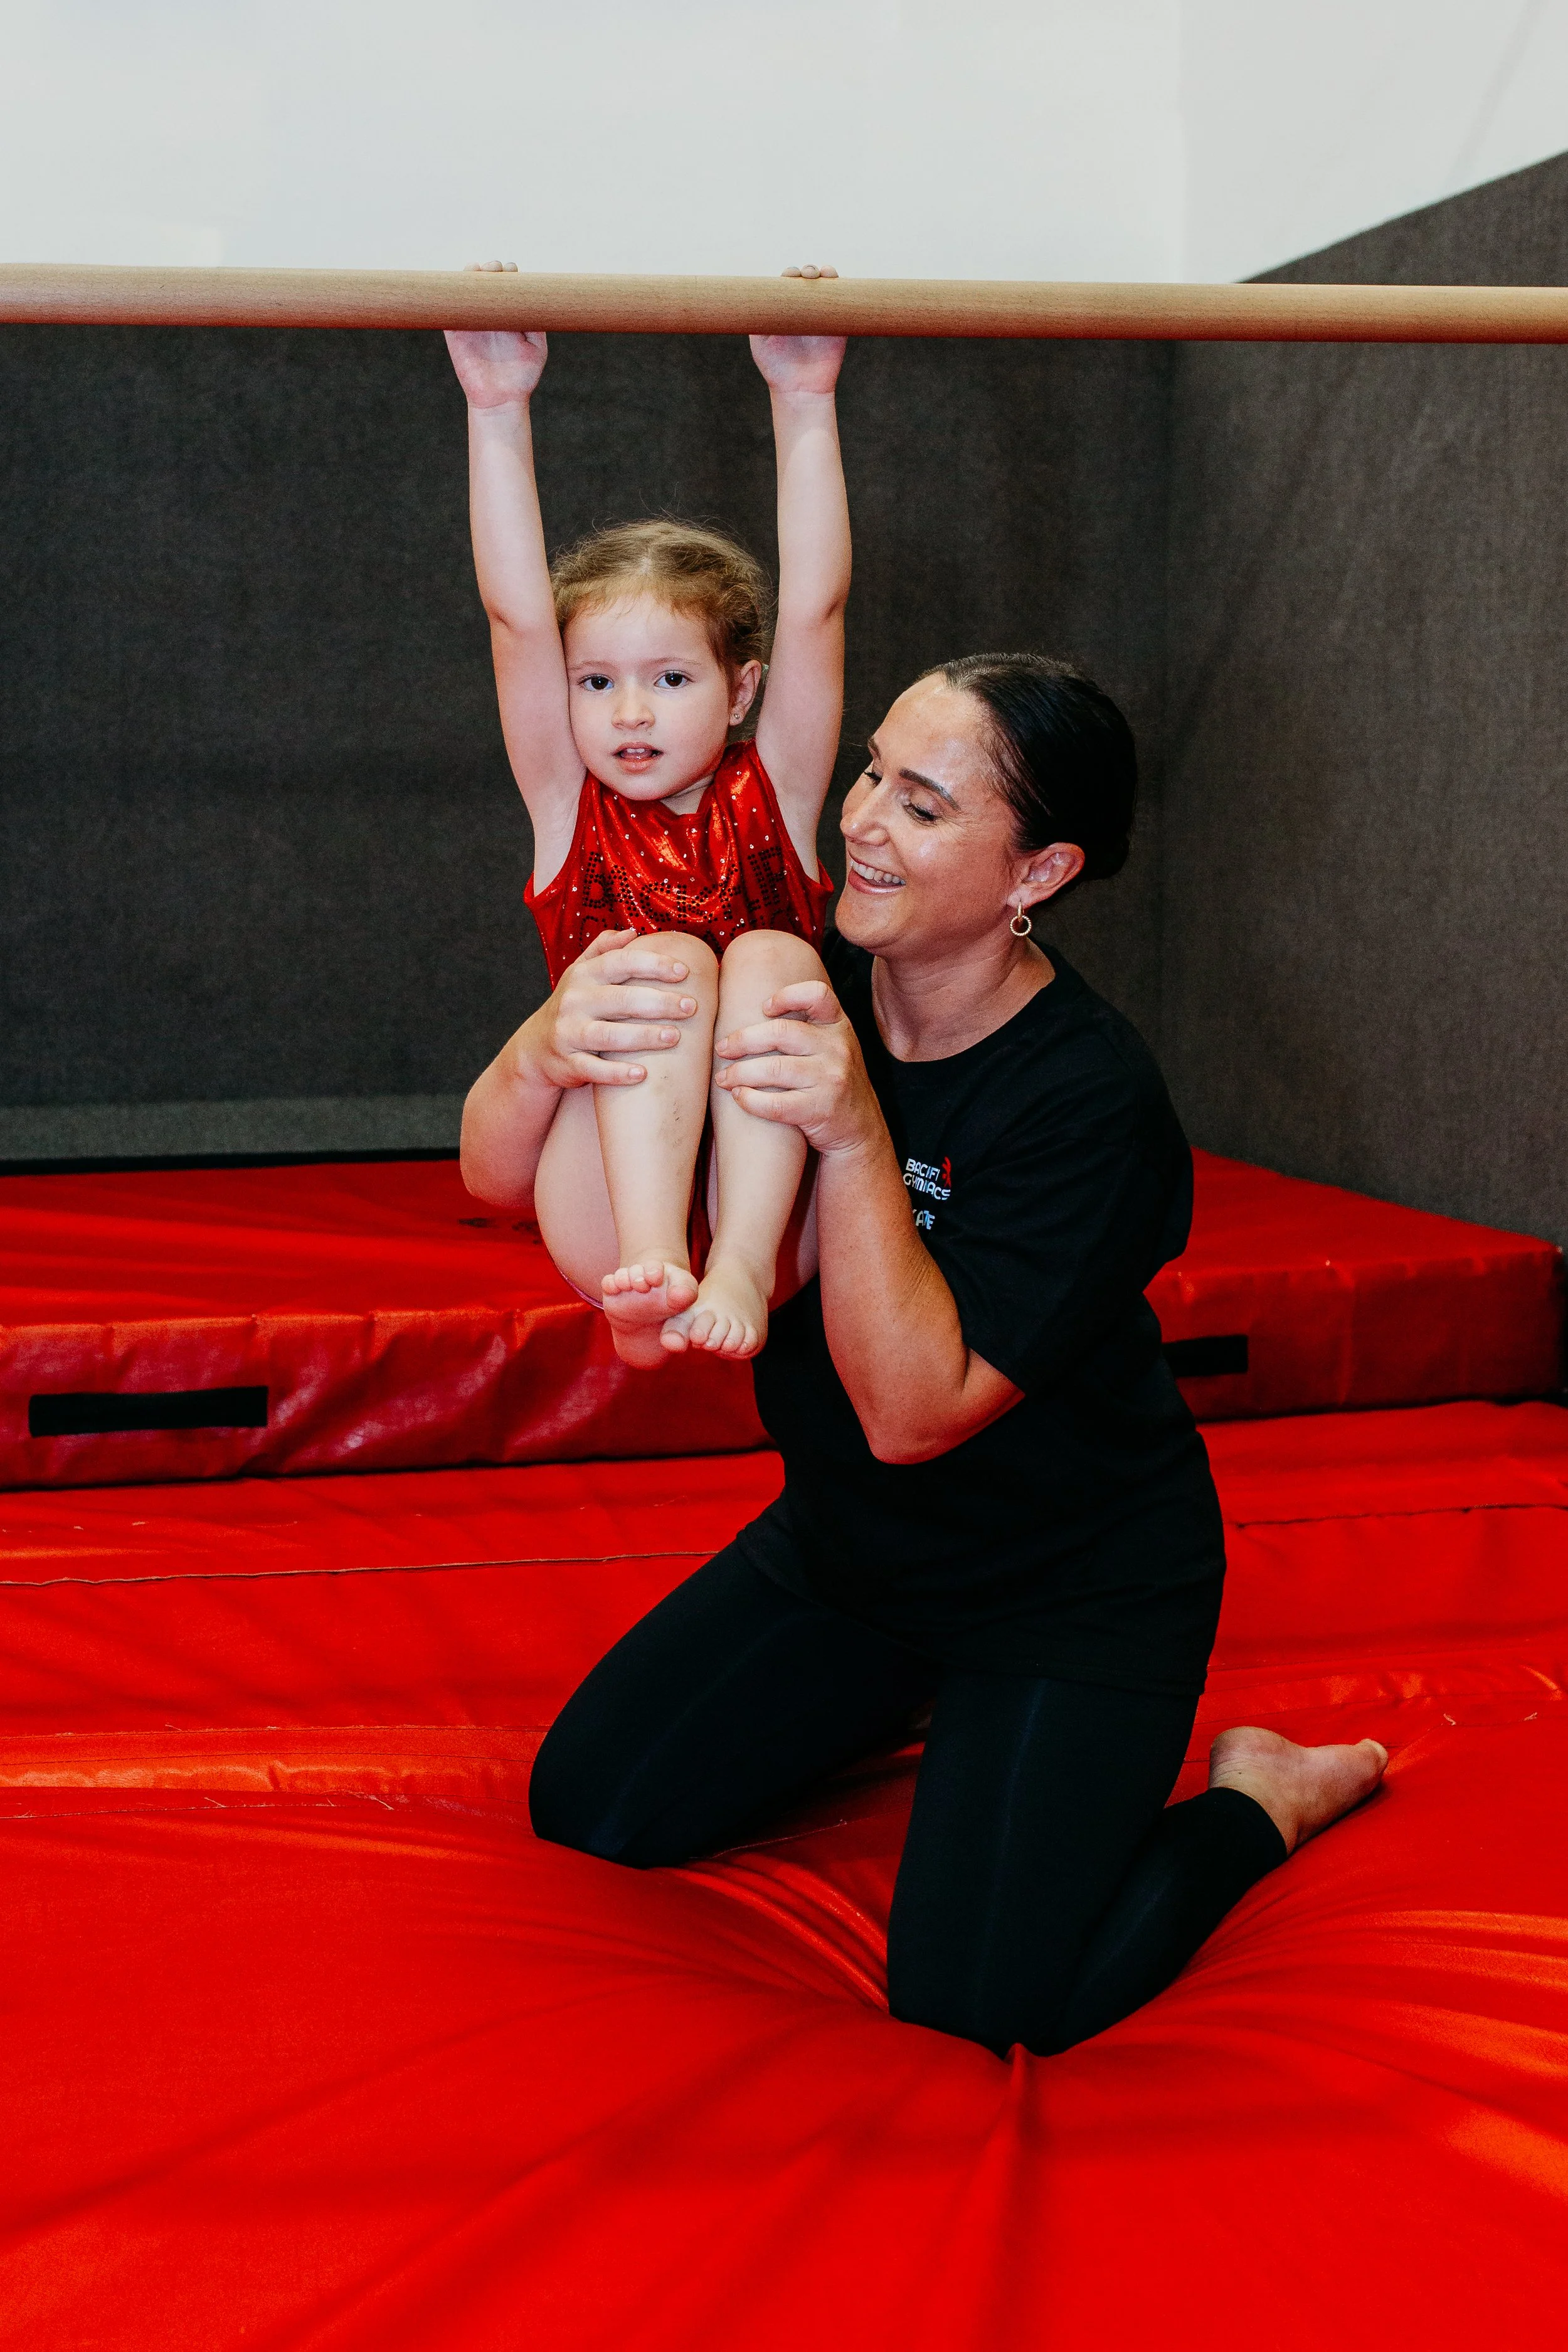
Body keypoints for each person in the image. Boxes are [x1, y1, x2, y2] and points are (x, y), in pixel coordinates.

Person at [475, 649, 1388, 2057]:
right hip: (849, 1558)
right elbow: (502, 1182)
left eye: (922, 802)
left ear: (1036, 873)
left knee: (989, 2008)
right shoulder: (791, 976)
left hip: (1066, 1589)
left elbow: (914, 1412)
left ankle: (1259, 1796)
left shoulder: (1090, 1098)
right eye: (868, 773)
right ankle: (899, 1703)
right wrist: (546, 1046)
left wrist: (852, 1136)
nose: (861, 820)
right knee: (588, 1807)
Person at [448, 262, 850, 1369]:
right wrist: (497, 406)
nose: (630, 713)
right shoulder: (568, 807)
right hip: (610, 1209)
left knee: (770, 955)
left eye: (672, 680)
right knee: (661, 960)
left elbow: (815, 610)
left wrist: (804, 396)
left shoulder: (780, 793)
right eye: (596, 683)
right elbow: (515, 619)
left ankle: (734, 1272)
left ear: (744, 690)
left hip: (774, 1210)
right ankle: (653, 1271)